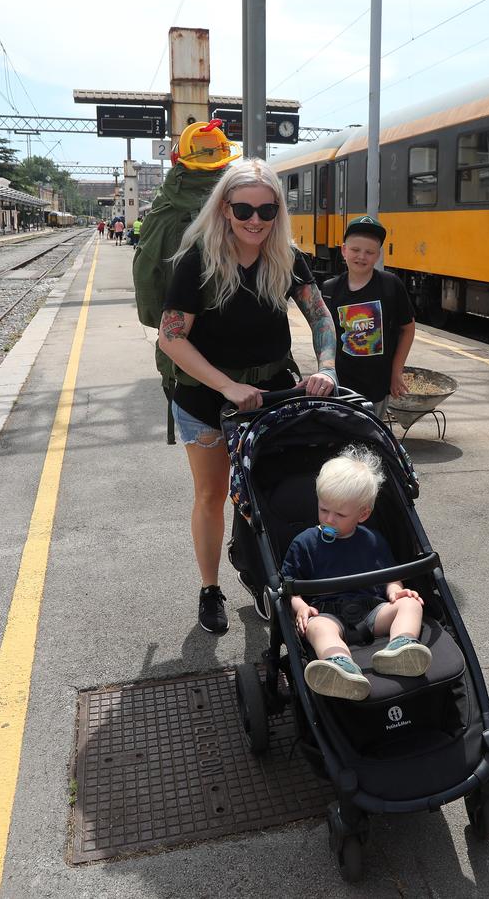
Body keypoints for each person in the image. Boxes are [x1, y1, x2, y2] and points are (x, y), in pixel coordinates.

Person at [156, 157, 340, 635]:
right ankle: (210, 588)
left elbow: (321, 317)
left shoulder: (287, 257)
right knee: (212, 493)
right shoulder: (197, 260)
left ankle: (264, 574)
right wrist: (229, 386)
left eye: (267, 209)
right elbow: (172, 338)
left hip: (272, 396)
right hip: (205, 400)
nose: (255, 220)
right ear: (224, 210)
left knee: (269, 487)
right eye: (243, 209)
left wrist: (327, 367)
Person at [281, 446, 432, 700]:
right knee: (317, 627)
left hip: (372, 609)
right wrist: (300, 606)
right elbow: (288, 585)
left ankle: (402, 646)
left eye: (340, 514)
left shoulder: (373, 540)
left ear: (363, 514)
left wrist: (396, 590)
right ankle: (340, 665)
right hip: (327, 611)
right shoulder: (305, 543)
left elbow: (389, 575)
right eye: (323, 509)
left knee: (411, 603)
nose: (329, 519)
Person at [320, 216, 416, 418]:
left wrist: (396, 372)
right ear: (344, 250)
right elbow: (325, 337)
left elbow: (407, 329)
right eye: (355, 250)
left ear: (378, 255)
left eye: (369, 252)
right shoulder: (330, 290)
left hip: (377, 386)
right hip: (340, 387)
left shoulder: (390, 285)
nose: (361, 256)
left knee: (372, 438)